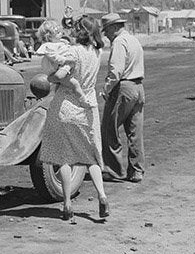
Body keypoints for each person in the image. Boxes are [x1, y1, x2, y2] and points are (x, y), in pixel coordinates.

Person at [35, 17, 110, 223]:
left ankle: (67, 203)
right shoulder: (97, 52)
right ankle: (102, 196)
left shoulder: (73, 52)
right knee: (91, 156)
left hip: (66, 107)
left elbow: (59, 74)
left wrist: (50, 78)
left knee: (64, 157)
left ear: (80, 32)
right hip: (88, 107)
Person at [99, 12, 145, 182]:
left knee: (109, 129)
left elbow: (116, 71)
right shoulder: (134, 40)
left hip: (123, 88)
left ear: (113, 28)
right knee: (135, 132)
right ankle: (137, 171)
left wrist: (106, 89)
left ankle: (114, 170)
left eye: (107, 31)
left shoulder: (119, 42)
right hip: (138, 87)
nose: (106, 36)